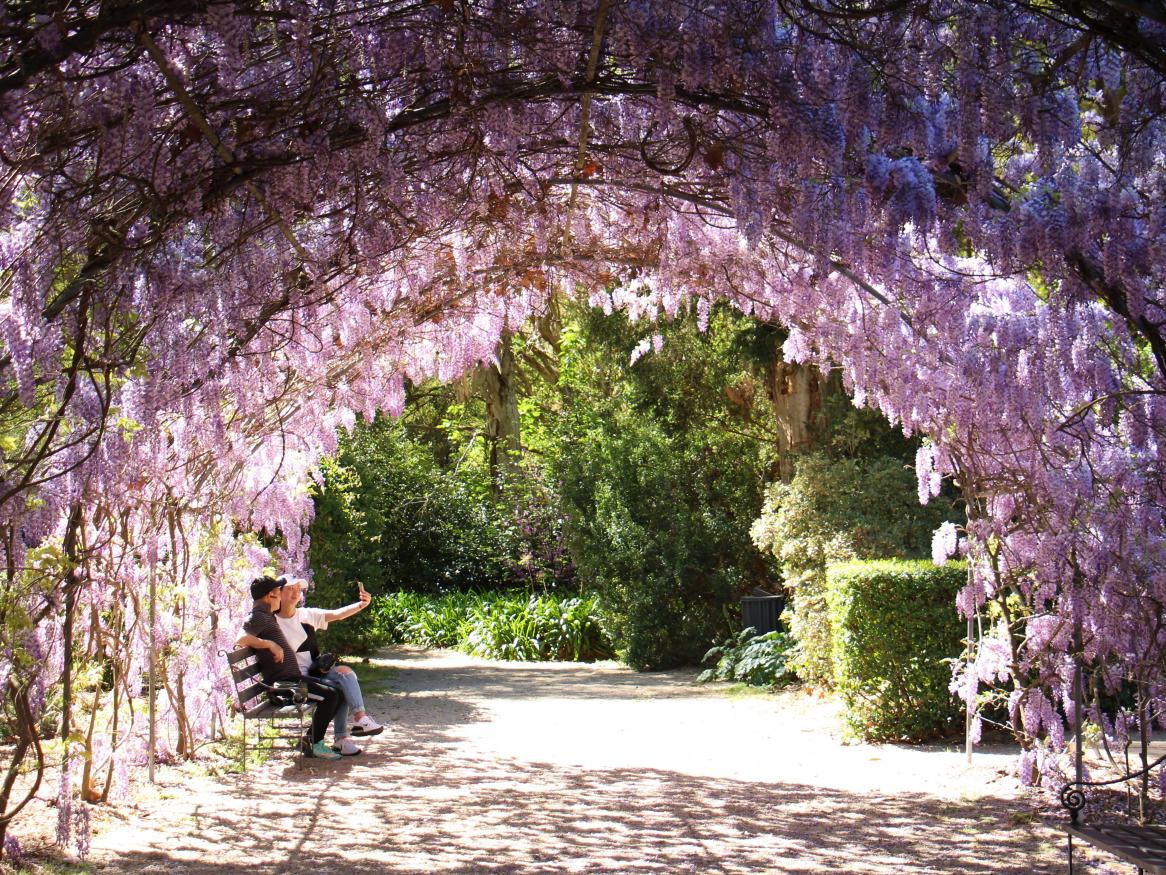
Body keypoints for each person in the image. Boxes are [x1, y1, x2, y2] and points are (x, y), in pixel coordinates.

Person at [272, 578, 384, 756]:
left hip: (315, 672)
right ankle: (339, 738)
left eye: (298, 589)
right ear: (278, 592)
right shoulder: (272, 621)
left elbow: (338, 614)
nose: (295, 593)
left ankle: (359, 720)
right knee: (336, 689)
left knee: (346, 674)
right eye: (290, 589)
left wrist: (362, 604)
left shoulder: (306, 615)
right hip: (295, 680)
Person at [236, 576, 343, 761]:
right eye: (278, 594)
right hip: (284, 685)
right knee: (331, 696)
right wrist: (269, 644)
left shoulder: (265, 615)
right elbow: (240, 638)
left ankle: (311, 740)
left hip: (292, 679)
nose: (280, 599)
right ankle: (314, 743)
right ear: (270, 596)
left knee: (337, 692)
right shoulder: (258, 616)